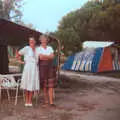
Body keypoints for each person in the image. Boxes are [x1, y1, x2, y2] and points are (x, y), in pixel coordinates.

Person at [16, 37, 40, 107]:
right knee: (27, 84)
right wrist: (22, 62)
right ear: (29, 42)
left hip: (35, 68)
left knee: (32, 84)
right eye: (30, 41)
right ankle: (27, 100)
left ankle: (30, 100)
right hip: (28, 68)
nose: (31, 42)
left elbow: (39, 59)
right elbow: (17, 54)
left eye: (33, 41)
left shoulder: (37, 49)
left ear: (35, 42)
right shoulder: (26, 48)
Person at [37, 35, 57, 107]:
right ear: (40, 40)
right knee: (44, 85)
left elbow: (52, 56)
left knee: (50, 85)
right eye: (42, 39)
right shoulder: (38, 48)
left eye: (45, 39)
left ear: (47, 40)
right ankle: (46, 99)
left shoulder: (50, 48)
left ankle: (51, 101)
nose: (44, 40)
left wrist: (46, 57)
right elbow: (41, 58)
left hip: (50, 67)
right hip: (42, 68)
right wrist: (48, 57)